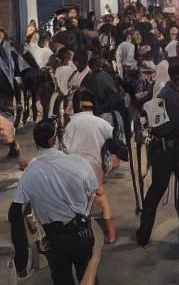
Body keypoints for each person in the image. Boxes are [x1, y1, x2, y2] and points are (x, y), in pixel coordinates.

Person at [9, 120, 98, 284]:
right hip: (82, 233)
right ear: (53, 140)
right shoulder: (79, 163)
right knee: (88, 275)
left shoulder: (30, 174)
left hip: (55, 239)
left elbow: (15, 212)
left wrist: (21, 260)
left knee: (61, 278)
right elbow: (93, 192)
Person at [135, 62, 179, 248]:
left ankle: (145, 234)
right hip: (169, 151)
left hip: (171, 150)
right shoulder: (169, 95)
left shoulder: (176, 92)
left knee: (170, 192)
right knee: (173, 192)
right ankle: (152, 233)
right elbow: (159, 127)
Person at [61, 89, 116, 244]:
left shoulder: (72, 123)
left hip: (75, 166)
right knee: (100, 196)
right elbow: (114, 139)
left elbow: (64, 147)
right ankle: (111, 235)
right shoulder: (100, 122)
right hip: (95, 166)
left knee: (75, 199)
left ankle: (79, 234)